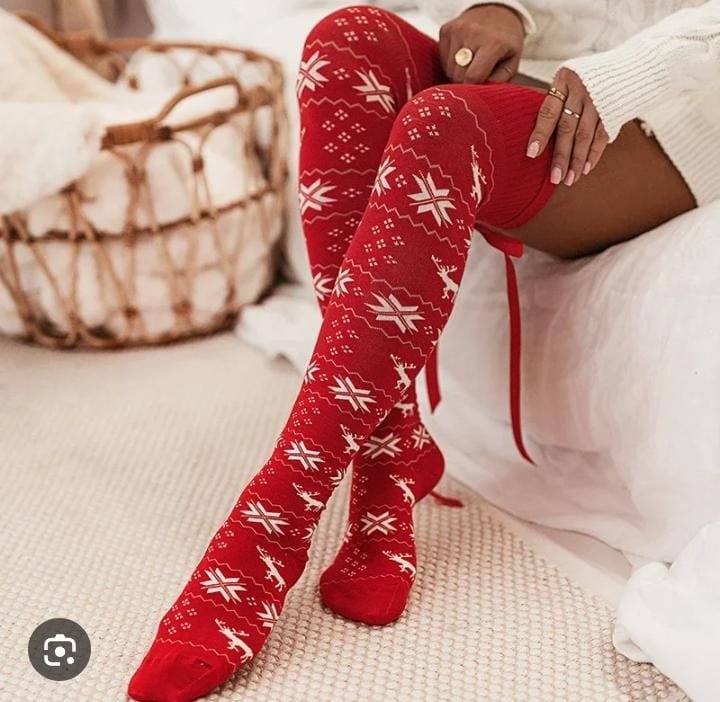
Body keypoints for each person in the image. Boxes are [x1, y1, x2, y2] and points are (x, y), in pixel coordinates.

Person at [128, 2, 719, 700]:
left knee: (444, 124)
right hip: (535, 70)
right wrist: (502, 9)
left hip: (669, 109)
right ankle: (391, 453)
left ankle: (273, 524)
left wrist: (625, 73)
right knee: (344, 42)